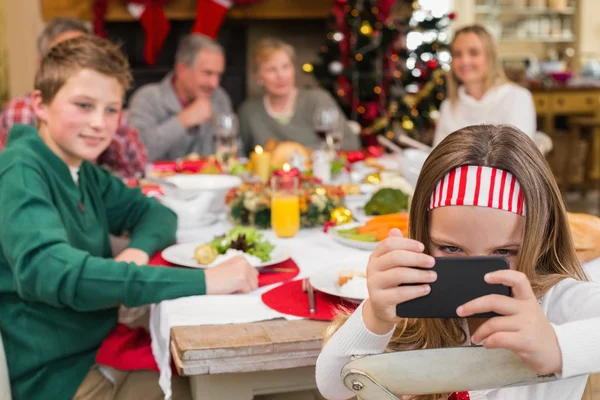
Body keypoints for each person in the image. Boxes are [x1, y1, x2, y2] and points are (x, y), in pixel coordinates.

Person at [0, 35, 258, 400]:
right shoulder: (22, 172)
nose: (99, 123)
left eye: (111, 109)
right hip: (63, 376)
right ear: (40, 104)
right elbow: (59, 274)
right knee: (222, 388)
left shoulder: (79, 168)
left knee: (232, 381)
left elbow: (156, 213)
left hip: (98, 348)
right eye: (84, 105)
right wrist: (204, 281)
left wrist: (137, 250)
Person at [315, 124, 600, 400]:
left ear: (542, 239)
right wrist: (376, 316)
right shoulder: (417, 305)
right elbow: (333, 386)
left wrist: (556, 346)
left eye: (504, 252)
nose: (476, 273)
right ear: (423, 238)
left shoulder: (556, 302)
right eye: (451, 248)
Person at [0, 17, 147, 178]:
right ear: (43, 65)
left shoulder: (105, 116)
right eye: (66, 58)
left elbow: (136, 168)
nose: (83, 68)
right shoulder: (20, 114)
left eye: (88, 56)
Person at [238, 38, 361, 154]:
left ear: (293, 70)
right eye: (271, 69)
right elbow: (239, 155)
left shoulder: (318, 99)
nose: (281, 75)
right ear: (258, 77)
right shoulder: (249, 112)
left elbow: (351, 145)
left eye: (286, 67)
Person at [128, 34, 233, 161]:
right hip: (159, 180)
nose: (214, 84)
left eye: (219, 75)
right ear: (181, 69)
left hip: (211, 179)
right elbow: (134, 155)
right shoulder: (147, 98)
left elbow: (234, 151)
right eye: (208, 73)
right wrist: (183, 121)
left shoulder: (219, 98)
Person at [433, 26, 537, 147]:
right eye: (457, 54)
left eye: (473, 53)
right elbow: (438, 154)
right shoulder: (449, 106)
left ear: (490, 57)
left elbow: (517, 156)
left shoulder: (518, 98)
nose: (464, 61)